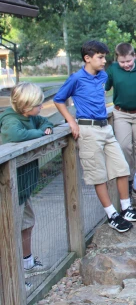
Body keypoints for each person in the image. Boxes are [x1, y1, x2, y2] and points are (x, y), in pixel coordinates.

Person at [54, 40, 136, 233]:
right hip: (88, 130)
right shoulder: (76, 78)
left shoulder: (102, 75)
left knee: (122, 168)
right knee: (98, 175)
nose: (105, 61)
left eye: (104, 57)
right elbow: (59, 99)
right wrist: (71, 121)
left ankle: (126, 208)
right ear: (87, 58)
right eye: (101, 57)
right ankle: (112, 214)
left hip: (106, 128)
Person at [0, 83, 54, 289]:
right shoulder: (10, 120)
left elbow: (45, 122)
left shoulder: (31, 117)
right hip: (10, 188)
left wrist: (43, 127)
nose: (41, 107)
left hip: (23, 186)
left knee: (27, 223)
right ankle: (12, 279)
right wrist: (41, 133)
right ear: (25, 106)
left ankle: (27, 263)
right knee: (9, 231)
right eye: (38, 104)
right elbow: (16, 135)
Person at [105, 43, 136, 180]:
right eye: (122, 62)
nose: (126, 64)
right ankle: (128, 177)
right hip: (121, 113)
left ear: (134, 56)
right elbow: (103, 88)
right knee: (124, 146)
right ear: (117, 59)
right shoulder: (113, 70)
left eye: (129, 61)